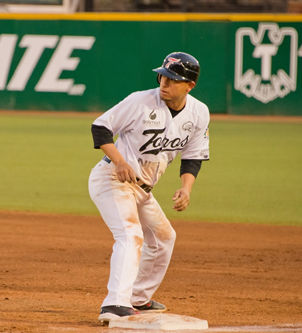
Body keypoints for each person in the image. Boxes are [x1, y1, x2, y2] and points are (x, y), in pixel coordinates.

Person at [88, 52, 210, 323]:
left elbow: (193, 155)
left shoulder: (199, 112)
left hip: (142, 188)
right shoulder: (140, 101)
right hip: (112, 178)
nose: (164, 83)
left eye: (172, 79)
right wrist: (119, 161)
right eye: (162, 76)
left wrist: (186, 189)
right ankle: (115, 304)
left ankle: (138, 298)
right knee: (131, 235)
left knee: (164, 237)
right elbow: (100, 128)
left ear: (190, 85)